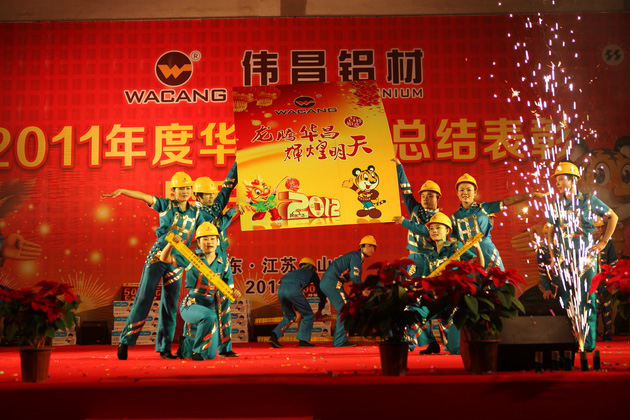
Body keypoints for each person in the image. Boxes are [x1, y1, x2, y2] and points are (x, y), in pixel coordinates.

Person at [103, 163, 237, 360]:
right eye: (180, 189)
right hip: (158, 257)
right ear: (173, 191)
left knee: (170, 305)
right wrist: (123, 191)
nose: (184, 192)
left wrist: (233, 212)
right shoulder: (165, 205)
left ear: (192, 191)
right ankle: (125, 341)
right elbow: (144, 197)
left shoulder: (197, 213)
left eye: (187, 188)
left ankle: (164, 348)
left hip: (177, 262)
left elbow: (210, 229)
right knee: (144, 298)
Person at [545, 161, 619, 351]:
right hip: (564, 260)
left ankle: (587, 344)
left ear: (573, 180)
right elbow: (550, 231)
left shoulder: (588, 200)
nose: (558, 183)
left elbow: (613, 216)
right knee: (566, 301)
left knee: (587, 299)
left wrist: (603, 242)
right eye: (556, 180)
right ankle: (570, 341)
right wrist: (553, 256)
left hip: (585, 258)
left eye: (562, 179)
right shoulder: (556, 205)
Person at [160, 222, 241, 360]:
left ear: (218, 241)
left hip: (211, 306)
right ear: (198, 242)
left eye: (212, 239)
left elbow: (229, 288)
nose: (209, 242)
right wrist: (171, 244)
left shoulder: (224, 263)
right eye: (205, 239)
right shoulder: (191, 258)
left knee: (210, 355)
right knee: (209, 316)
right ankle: (197, 352)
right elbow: (164, 258)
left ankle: (185, 348)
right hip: (191, 304)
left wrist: (235, 293)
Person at [411, 212, 484, 355]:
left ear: (448, 231)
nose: (434, 231)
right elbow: (426, 279)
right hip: (436, 300)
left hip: (454, 301)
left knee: (455, 349)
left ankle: (452, 339)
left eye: (438, 227)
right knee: (413, 310)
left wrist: (477, 248)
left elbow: (479, 266)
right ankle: (432, 343)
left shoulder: (457, 247)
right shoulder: (430, 256)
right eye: (431, 228)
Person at [193, 176, 244, 357]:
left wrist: (239, 163)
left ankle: (225, 348)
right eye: (207, 194)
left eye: (212, 194)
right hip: (205, 263)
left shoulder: (213, 207)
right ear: (198, 196)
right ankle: (192, 346)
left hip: (221, 259)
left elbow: (226, 188)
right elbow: (216, 226)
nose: (212, 197)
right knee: (201, 304)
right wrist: (232, 211)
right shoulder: (197, 212)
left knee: (225, 303)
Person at [451, 173, 546, 270]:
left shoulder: (484, 208)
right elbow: (454, 244)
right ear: (457, 193)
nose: (465, 193)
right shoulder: (454, 217)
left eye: (469, 190)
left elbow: (508, 201)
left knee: (499, 279)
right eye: (461, 190)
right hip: (469, 258)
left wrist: (532, 195)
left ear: (475, 192)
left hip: (488, 253)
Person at [320, 235, 376, 347]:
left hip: (331, 282)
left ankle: (341, 339)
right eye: (369, 246)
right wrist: (361, 291)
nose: (372, 249)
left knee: (347, 307)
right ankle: (340, 341)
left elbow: (349, 277)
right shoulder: (356, 256)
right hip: (332, 282)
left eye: (374, 247)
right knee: (345, 309)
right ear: (361, 247)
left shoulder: (358, 259)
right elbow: (355, 277)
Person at [392, 157, 442, 276]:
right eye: (423, 195)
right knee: (413, 284)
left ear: (437, 198)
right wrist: (399, 167)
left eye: (430, 196)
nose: (425, 198)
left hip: (431, 257)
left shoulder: (440, 218)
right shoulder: (415, 208)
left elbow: (427, 230)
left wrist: (405, 222)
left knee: (430, 285)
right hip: (414, 257)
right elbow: (406, 190)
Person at [268, 257, 327, 348]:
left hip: (281, 290)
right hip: (293, 290)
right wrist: (320, 309)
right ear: (311, 267)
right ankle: (303, 341)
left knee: (289, 316)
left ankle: (274, 337)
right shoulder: (311, 273)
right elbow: (320, 292)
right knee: (308, 315)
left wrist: (297, 310)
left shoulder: (293, 273)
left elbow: (291, 294)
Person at [593, 217, 619, 341]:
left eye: (600, 227)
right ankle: (593, 334)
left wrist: (610, 278)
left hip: (605, 281)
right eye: (596, 227)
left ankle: (607, 333)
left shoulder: (608, 242)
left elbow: (613, 262)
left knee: (607, 307)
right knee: (594, 307)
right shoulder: (586, 243)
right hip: (592, 282)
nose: (598, 230)